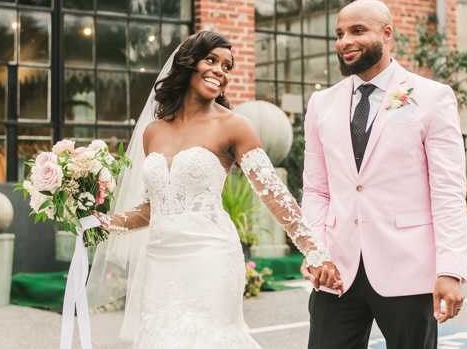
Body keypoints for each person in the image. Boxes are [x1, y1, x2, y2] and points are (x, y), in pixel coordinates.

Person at [89, 30, 342, 348]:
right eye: (211, 60)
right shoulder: (153, 132)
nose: (220, 71)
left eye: (227, 66)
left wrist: (314, 252)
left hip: (210, 254)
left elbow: (274, 195)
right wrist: (107, 222)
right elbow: (153, 208)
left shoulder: (234, 125)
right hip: (159, 260)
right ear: (187, 63)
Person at [300, 0, 467, 349]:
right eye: (340, 33)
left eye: (357, 31)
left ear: (386, 34)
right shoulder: (321, 104)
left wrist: (449, 270)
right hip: (337, 272)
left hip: (408, 269)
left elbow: (448, 191)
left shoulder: (432, 97)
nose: (344, 41)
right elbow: (317, 190)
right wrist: (315, 252)